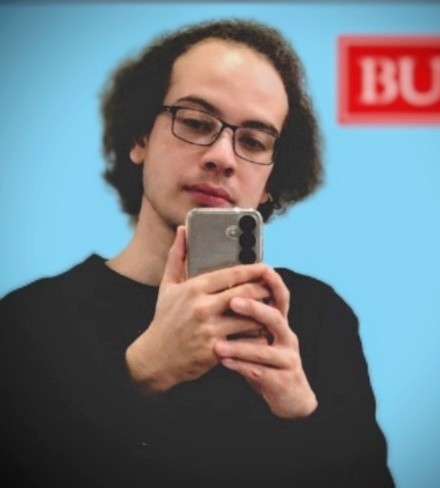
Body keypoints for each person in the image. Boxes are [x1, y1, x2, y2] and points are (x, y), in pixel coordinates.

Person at [0, 19, 395, 488]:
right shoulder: (29, 322)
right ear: (140, 138)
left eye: (254, 141)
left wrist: (304, 413)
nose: (223, 157)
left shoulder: (320, 319)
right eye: (194, 122)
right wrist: (140, 373)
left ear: (269, 183)